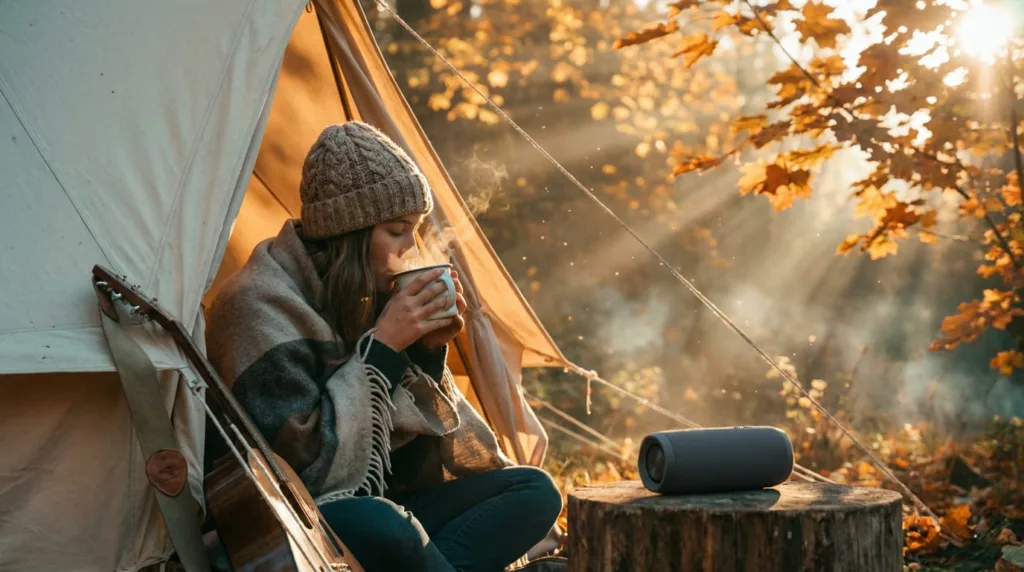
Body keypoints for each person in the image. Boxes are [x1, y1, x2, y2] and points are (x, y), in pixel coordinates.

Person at [206, 121, 564, 571]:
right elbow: (302, 472)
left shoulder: (364, 296)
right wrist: (385, 347)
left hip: (383, 505)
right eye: (397, 231)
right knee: (387, 523)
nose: (410, 248)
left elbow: (407, 466)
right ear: (349, 233)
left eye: (414, 230)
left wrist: (426, 352)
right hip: (295, 520)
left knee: (533, 491)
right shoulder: (257, 305)